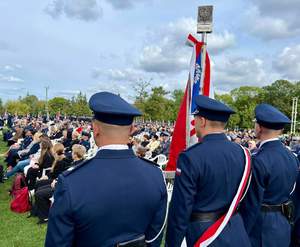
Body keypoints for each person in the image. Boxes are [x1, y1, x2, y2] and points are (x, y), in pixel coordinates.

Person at [46, 91, 167, 247]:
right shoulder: (155, 175)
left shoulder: (72, 182)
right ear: (132, 129)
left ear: (95, 129)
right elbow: (154, 238)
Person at [166, 95, 251, 247]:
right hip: (237, 229)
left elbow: (180, 210)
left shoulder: (190, 157)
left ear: (202, 121)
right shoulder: (243, 153)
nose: (194, 123)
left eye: (196, 119)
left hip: (205, 235)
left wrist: (172, 243)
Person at [240, 103, 299, 247]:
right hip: (283, 222)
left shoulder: (259, 160)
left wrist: (242, 233)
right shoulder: (291, 156)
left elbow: (251, 203)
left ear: (259, 127)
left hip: (261, 226)